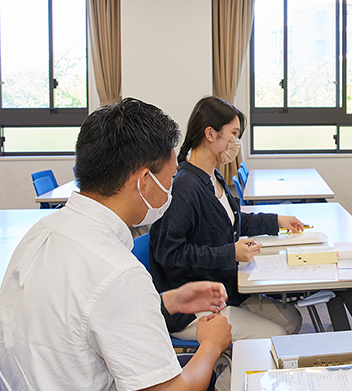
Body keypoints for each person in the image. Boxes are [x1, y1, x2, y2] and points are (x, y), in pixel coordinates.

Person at [0, 98, 232, 391]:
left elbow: (81, 318)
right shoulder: (118, 272)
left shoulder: (42, 231)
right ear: (144, 181)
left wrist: (170, 301)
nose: (171, 190)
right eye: (171, 178)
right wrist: (212, 345)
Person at [150, 96, 302, 341]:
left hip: (225, 290)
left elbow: (231, 221)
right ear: (211, 134)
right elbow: (171, 255)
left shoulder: (213, 177)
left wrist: (276, 221)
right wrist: (229, 253)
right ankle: (224, 380)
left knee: (293, 320)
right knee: (275, 335)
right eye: (233, 133)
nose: (236, 142)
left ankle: (237, 369)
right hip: (192, 306)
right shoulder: (184, 187)